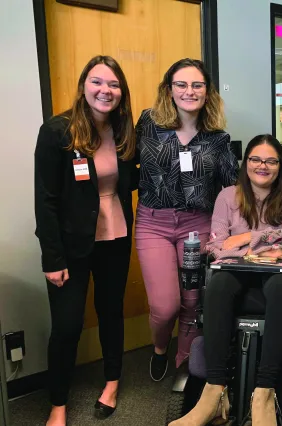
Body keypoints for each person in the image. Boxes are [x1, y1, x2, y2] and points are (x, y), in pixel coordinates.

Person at [170, 134, 282, 426]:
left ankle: (264, 394)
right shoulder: (227, 196)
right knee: (218, 284)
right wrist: (267, 243)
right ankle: (215, 392)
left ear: (280, 165)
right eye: (255, 159)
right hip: (235, 271)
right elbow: (216, 244)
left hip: (280, 272)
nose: (263, 166)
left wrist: (252, 237)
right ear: (246, 162)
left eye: (271, 160)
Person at [34, 55, 137, 425]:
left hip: (116, 237)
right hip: (70, 244)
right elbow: (44, 199)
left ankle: (112, 382)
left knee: (111, 312)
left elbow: (132, 179)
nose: (105, 91)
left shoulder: (124, 131)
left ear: (121, 92)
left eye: (113, 84)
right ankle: (57, 404)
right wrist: (52, 258)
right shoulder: (57, 131)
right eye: (97, 82)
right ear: (83, 86)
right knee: (67, 325)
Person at [135, 58, 239, 381]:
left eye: (197, 85)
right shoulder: (147, 123)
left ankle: (186, 363)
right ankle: (160, 348)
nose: (189, 91)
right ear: (169, 89)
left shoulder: (217, 139)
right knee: (166, 305)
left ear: (207, 93)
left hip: (198, 225)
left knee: (193, 300)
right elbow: (121, 156)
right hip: (154, 222)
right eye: (181, 84)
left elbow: (235, 188)